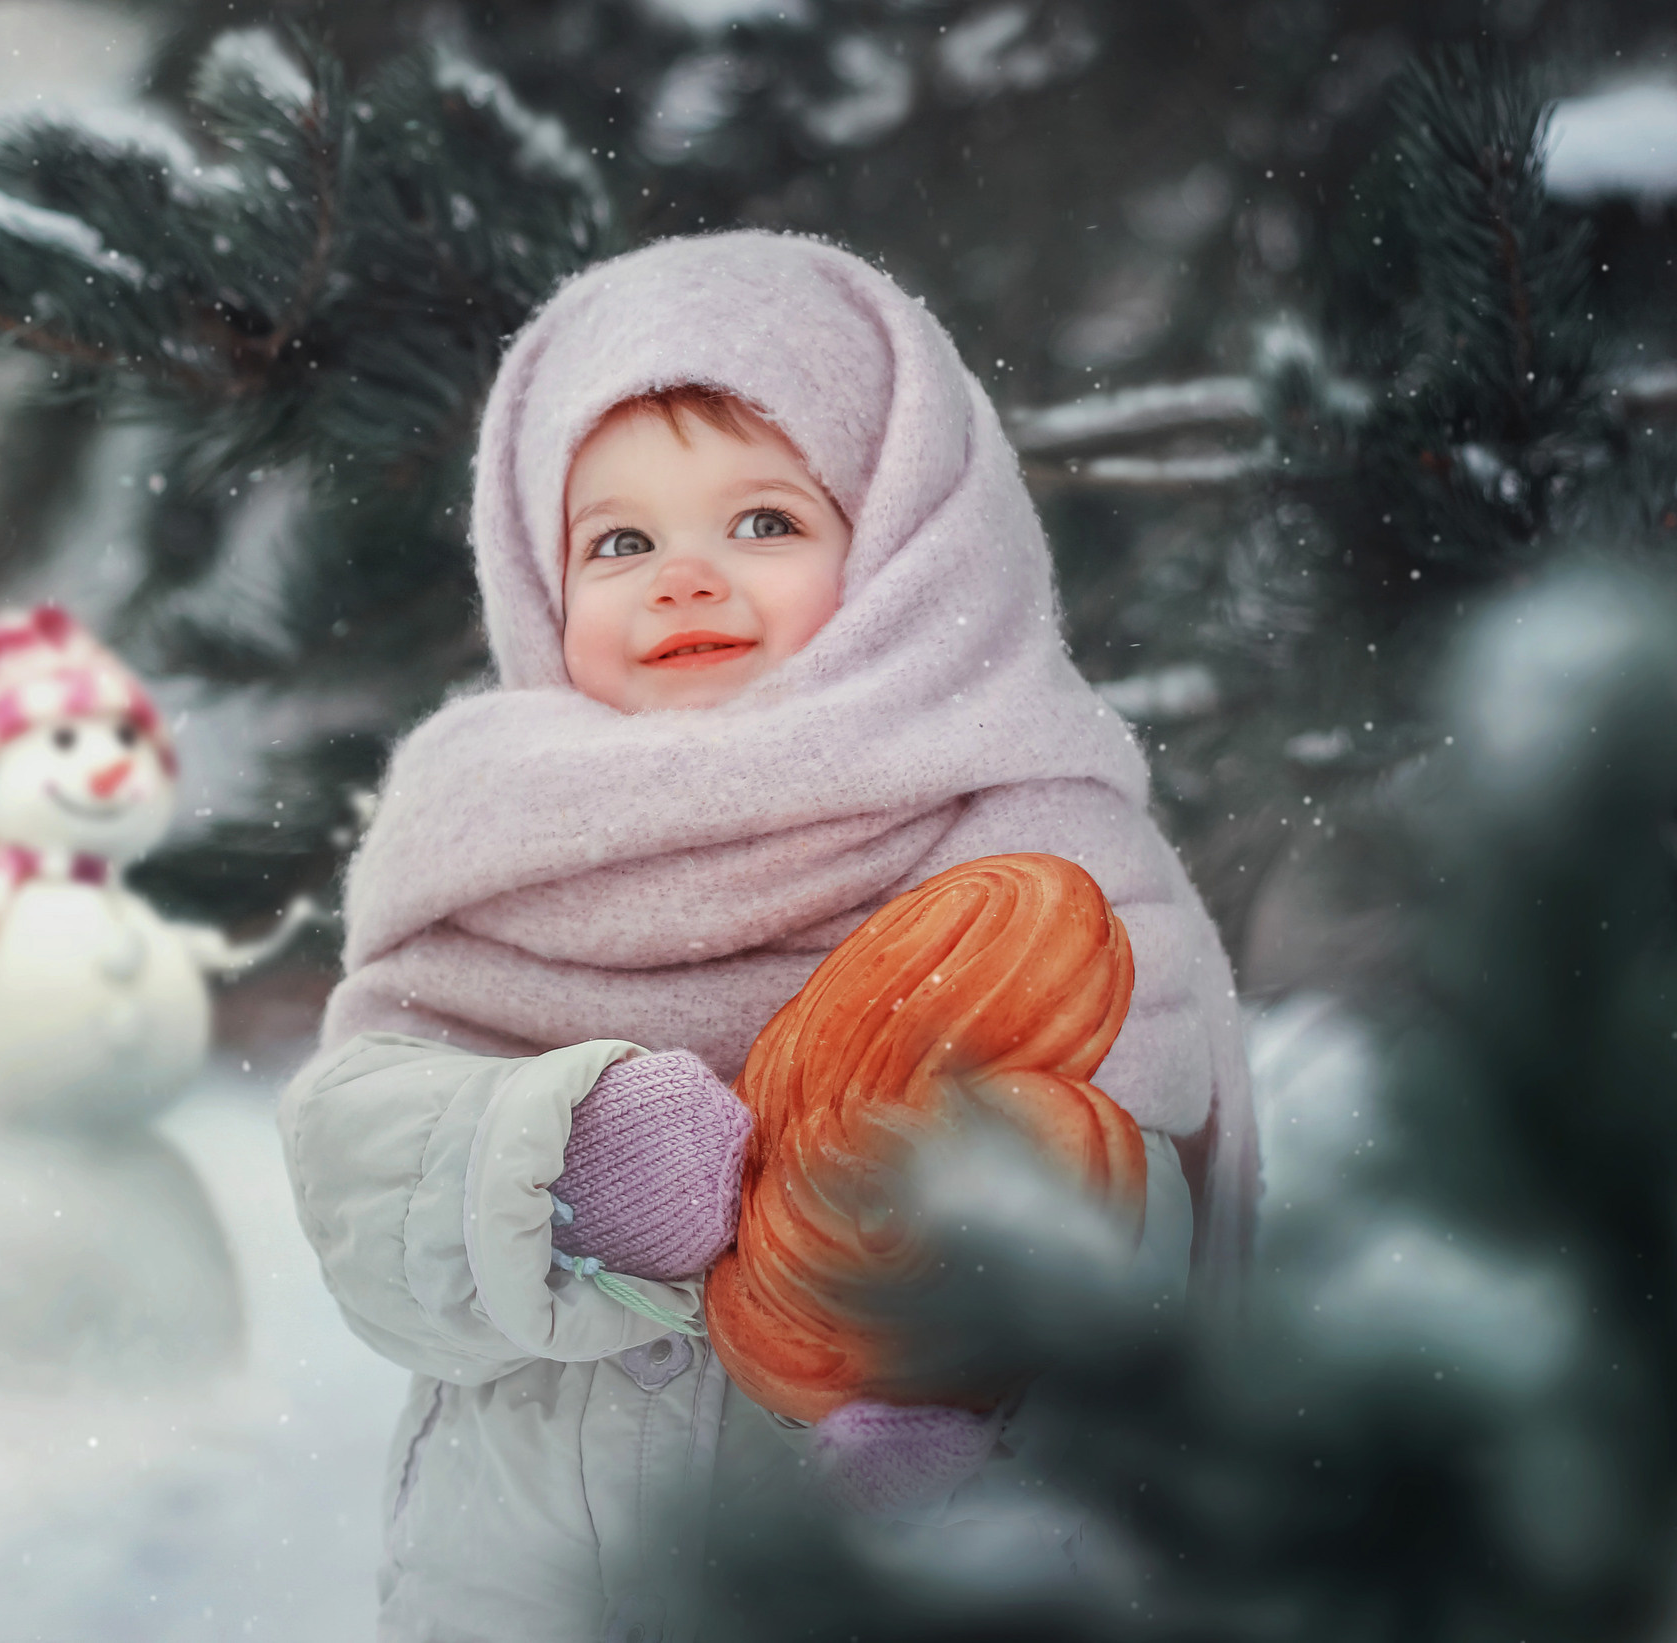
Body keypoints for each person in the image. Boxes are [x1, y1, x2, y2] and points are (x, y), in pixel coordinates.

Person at [277, 231, 1254, 1643]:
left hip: (903, 1584)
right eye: (620, 541)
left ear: (911, 548)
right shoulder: (479, 829)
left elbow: (1142, 1196)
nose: (683, 579)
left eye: (764, 524)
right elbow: (361, 1182)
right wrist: (555, 1164)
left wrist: (962, 1368)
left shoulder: (1035, 848)